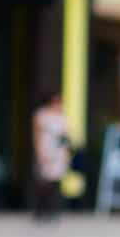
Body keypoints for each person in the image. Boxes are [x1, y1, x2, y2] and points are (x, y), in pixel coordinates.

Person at [33, 91, 70, 221]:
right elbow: (37, 135)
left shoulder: (62, 117)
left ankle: (54, 211)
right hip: (46, 150)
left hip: (58, 152)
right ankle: (40, 211)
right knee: (44, 183)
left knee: (56, 183)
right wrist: (39, 152)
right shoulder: (42, 115)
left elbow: (65, 136)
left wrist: (65, 152)